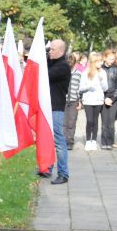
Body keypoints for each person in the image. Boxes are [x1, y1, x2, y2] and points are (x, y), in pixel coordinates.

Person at [46, 39, 71, 184]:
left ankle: (63, 173)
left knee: (59, 141)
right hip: (48, 107)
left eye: (53, 49)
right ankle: (47, 168)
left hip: (55, 108)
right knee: (47, 140)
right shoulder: (53, 63)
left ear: (61, 51)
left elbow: (45, 75)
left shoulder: (63, 67)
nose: (50, 51)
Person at [79, 52, 107, 151]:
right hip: (88, 100)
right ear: (93, 62)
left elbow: (105, 88)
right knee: (89, 120)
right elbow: (81, 88)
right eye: (98, 61)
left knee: (95, 121)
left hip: (98, 100)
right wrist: (89, 86)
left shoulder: (102, 72)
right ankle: (88, 140)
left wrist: (102, 80)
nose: (100, 63)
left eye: (101, 61)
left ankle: (94, 140)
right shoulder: (85, 72)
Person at [100, 50, 117, 149]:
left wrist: (112, 99)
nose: (111, 61)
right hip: (103, 98)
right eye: (110, 58)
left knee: (111, 121)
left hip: (114, 98)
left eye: (113, 59)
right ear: (105, 58)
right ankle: (104, 142)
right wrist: (104, 98)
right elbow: (98, 85)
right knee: (104, 121)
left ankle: (110, 141)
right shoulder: (100, 69)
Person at [64, 53, 82, 150]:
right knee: (63, 122)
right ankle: (62, 140)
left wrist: (79, 101)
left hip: (74, 100)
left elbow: (79, 88)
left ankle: (69, 141)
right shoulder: (63, 73)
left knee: (71, 121)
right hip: (63, 100)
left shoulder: (78, 74)